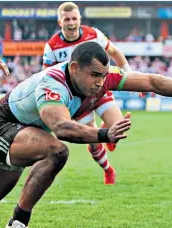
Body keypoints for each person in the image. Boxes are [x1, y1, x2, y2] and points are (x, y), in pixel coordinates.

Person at [0, 41, 172, 228]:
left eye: (103, 76)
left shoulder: (101, 78)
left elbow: (150, 81)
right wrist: (104, 134)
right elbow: (61, 127)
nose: (100, 83)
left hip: (28, 137)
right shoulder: (52, 83)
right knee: (56, 151)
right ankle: (18, 225)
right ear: (75, 68)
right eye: (95, 75)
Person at [43, 2, 131, 184]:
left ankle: (108, 134)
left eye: (74, 18)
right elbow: (47, 76)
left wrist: (129, 75)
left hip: (100, 89)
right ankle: (108, 169)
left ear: (79, 19)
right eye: (66, 19)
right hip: (77, 99)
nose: (71, 22)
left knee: (118, 127)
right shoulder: (52, 46)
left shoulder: (93, 35)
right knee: (93, 138)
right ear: (60, 22)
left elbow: (114, 52)